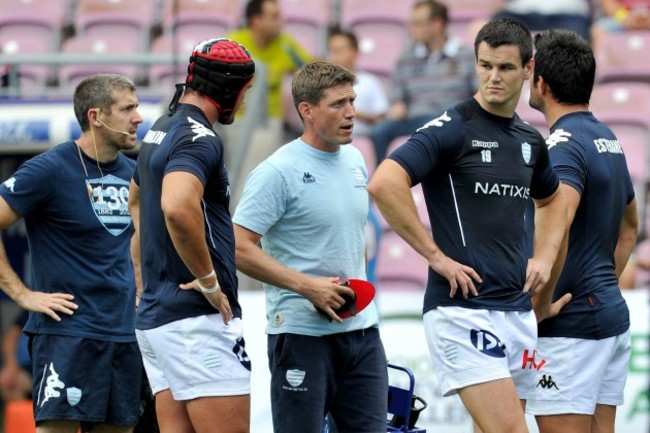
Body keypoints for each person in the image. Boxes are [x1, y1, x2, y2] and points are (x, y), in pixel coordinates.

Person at [368, 18, 570, 433]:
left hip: (516, 311)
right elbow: (385, 182)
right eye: (485, 65)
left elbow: (553, 200)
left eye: (506, 68)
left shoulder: (530, 140)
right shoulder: (454, 126)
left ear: (529, 70)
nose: (493, 77)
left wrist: (545, 257)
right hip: (462, 311)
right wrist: (436, 257)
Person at [233, 61, 387, 433]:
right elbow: (238, 246)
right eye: (337, 104)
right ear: (307, 110)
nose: (351, 112)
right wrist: (308, 287)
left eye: (351, 100)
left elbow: (353, 237)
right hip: (301, 337)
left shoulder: (355, 159)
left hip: (362, 333)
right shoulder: (276, 171)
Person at [0, 73, 143, 432]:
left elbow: (140, 245)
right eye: (127, 109)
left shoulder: (134, 174)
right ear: (96, 116)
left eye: (137, 107)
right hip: (68, 334)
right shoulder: (50, 168)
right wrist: (21, 294)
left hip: (125, 333)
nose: (137, 118)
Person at [129, 38, 255, 433]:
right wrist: (209, 281)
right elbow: (177, 206)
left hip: (157, 318)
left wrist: (142, 279)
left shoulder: (160, 129)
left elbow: (136, 200)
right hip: (195, 323)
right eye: (245, 92)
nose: (245, 102)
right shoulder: (200, 138)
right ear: (229, 90)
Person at [524, 29, 639, 433]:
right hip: (608, 316)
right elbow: (631, 227)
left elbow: (560, 220)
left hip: (571, 327)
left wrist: (541, 304)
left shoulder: (561, 145)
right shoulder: (608, 138)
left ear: (542, 83)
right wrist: (603, 280)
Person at [369, 0, 476, 162]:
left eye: (417, 24)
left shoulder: (467, 55)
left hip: (451, 118)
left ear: (437, 25)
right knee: (379, 131)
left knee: (435, 122)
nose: (411, 29)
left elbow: (478, 93)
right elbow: (398, 99)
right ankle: (380, 180)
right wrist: (398, 105)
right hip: (414, 119)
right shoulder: (405, 58)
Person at [327, 26, 389, 137]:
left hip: (362, 138)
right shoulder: (323, 84)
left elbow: (381, 120)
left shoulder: (370, 82)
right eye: (332, 51)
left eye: (339, 50)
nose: (334, 56)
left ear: (355, 52)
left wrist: (354, 114)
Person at [0, 310, 31, 401]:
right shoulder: (34, 308)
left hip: (65, 368)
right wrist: (11, 365)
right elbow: (11, 334)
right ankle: (24, 415)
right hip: (32, 368)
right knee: (8, 382)